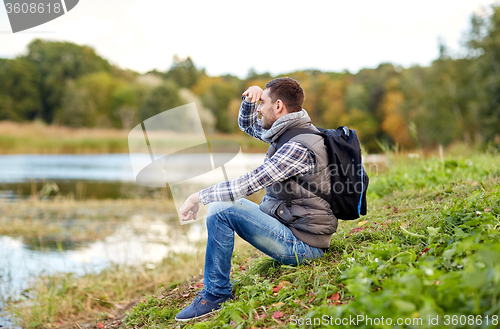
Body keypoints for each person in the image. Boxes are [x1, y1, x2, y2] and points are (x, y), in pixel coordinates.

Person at [175, 77, 337, 322]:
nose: (260, 109)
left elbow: (248, 184)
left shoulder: (297, 147)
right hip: (295, 229)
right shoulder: (291, 131)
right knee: (222, 206)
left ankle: (215, 295)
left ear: (279, 106)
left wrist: (197, 196)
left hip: (304, 245)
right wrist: (250, 100)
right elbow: (250, 126)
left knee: (221, 209)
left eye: (264, 103)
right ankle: (216, 291)